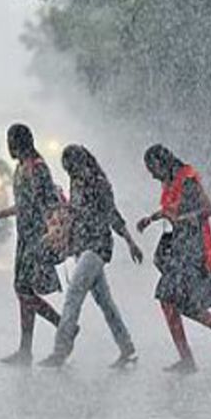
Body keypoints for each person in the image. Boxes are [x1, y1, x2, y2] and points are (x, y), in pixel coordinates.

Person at [136, 144, 211, 373]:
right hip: (179, 247)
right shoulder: (170, 181)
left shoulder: (187, 180)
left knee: (169, 298)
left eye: (153, 169)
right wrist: (152, 218)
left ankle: (192, 355)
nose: (152, 175)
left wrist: (182, 219)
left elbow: (207, 209)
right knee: (179, 303)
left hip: (192, 249)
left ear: (162, 163)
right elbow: (170, 209)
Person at [37, 145, 143, 369]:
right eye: (68, 171)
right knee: (106, 303)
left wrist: (130, 241)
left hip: (97, 246)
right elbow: (77, 211)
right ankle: (127, 348)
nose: (71, 174)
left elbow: (111, 214)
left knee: (74, 294)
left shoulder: (99, 184)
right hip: (83, 246)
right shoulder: (76, 183)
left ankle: (60, 350)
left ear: (81, 163)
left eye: (72, 168)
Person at [0, 124, 64, 365]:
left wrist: (51, 233)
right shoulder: (20, 168)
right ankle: (25, 349)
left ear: (21, 142)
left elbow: (47, 204)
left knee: (23, 290)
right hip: (25, 236)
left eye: (11, 141)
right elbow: (23, 205)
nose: (8, 146)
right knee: (25, 291)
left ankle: (64, 325)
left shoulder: (37, 169)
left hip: (38, 237)